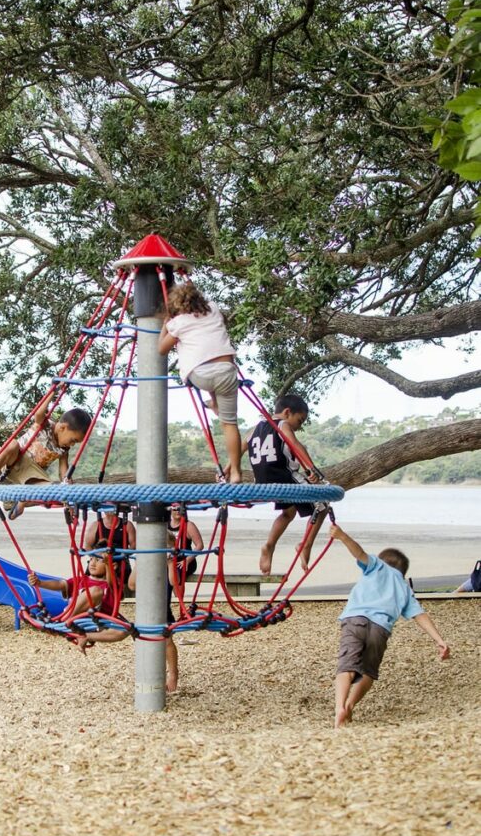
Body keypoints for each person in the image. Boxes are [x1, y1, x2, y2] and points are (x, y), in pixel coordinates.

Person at [330, 523, 450, 728]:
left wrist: (342, 536)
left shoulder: (377, 566)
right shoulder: (404, 587)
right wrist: (440, 641)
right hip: (380, 630)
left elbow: (358, 553)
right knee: (368, 672)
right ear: (403, 572)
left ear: (382, 561)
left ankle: (339, 707)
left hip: (355, 620)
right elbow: (419, 615)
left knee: (346, 667)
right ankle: (350, 705)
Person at [75, 532, 182, 694]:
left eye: (165, 547)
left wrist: (169, 560)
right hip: (146, 604)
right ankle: (151, 677)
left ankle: (173, 673)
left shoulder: (170, 560)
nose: (161, 550)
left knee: (166, 640)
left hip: (161, 602)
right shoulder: (145, 560)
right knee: (141, 636)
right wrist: (141, 560)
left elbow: (175, 583)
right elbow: (131, 585)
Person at [158, 281, 242, 483]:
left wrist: (165, 324)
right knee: (230, 424)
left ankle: (213, 401)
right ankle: (237, 472)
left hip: (200, 375)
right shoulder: (213, 309)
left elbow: (161, 349)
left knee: (198, 365)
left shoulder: (178, 322)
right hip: (227, 370)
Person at [243, 393, 324, 574]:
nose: (299, 426)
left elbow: (239, 450)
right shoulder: (283, 424)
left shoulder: (254, 429)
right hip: (284, 476)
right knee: (323, 505)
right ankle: (306, 545)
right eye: (300, 420)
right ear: (287, 412)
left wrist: (225, 471)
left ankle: (269, 545)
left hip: (262, 483)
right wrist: (311, 469)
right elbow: (295, 444)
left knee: (288, 513)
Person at [0, 396, 91, 519]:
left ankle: (22, 502)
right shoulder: (45, 425)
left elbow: (63, 472)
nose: (72, 444)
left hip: (33, 475)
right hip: (16, 460)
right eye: (73, 440)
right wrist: (53, 392)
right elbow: (39, 413)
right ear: (62, 427)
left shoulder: (64, 449)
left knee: (53, 489)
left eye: (75, 443)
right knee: (12, 444)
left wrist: (68, 491)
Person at [28, 552, 113, 618]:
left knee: (95, 590)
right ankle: (67, 616)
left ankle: (65, 618)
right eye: (91, 559)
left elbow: (112, 583)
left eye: (98, 560)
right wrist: (40, 583)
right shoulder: (81, 580)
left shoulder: (110, 584)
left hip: (97, 615)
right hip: (75, 613)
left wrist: (108, 565)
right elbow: (60, 584)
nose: (92, 563)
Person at [83, 509, 136, 596]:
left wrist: (121, 556)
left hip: (120, 561)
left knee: (124, 589)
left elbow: (134, 546)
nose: (109, 511)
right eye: (107, 508)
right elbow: (88, 546)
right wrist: (97, 557)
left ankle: (124, 598)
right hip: (100, 560)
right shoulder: (96, 525)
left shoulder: (127, 524)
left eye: (111, 508)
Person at [168, 503, 204, 578]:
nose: (177, 511)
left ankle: (177, 589)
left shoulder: (188, 525)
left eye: (179, 509)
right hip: (169, 561)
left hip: (185, 561)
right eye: (175, 509)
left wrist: (187, 560)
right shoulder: (165, 525)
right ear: (170, 510)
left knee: (174, 575)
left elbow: (200, 545)